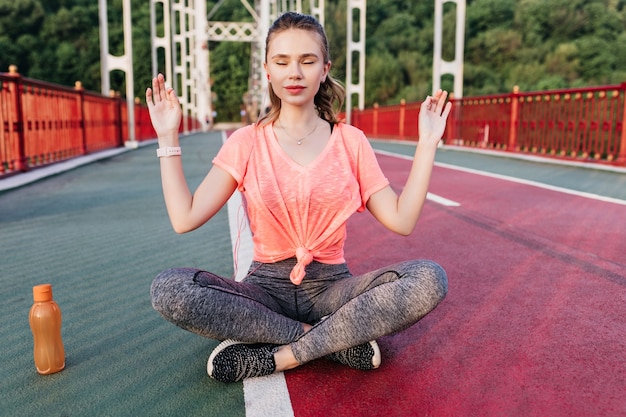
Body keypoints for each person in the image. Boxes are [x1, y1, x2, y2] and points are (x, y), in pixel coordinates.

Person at [146, 11, 451, 384]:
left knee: (429, 277)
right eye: (282, 61)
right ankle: (332, 339)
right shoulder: (248, 141)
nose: (295, 73)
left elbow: (401, 220)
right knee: (170, 289)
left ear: (324, 69)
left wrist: (427, 144)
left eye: (307, 61)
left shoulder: (350, 141)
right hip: (264, 289)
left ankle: (284, 355)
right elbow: (185, 217)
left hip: (332, 288)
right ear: (267, 70)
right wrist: (167, 137)